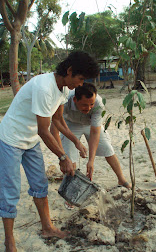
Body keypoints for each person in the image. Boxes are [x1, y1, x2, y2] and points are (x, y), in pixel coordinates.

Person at [0, 51, 99, 252]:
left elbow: (58, 120)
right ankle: (9, 242)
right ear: (69, 71)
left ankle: (47, 227)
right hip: (10, 139)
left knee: (40, 184)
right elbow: (44, 130)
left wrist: (75, 141)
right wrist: (62, 157)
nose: (80, 84)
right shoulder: (44, 87)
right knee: (10, 191)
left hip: (30, 140)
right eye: (80, 79)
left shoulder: (63, 89)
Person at [51, 83, 131, 209]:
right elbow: (54, 129)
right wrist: (62, 155)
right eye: (84, 105)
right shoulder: (64, 101)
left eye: (91, 104)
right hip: (69, 124)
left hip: (90, 124)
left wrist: (91, 161)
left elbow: (95, 131)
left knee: (107, 149)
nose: (88, 108)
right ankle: (71, 194)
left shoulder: (98, 103)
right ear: (75, 99)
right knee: (70, 158)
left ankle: (122, 179)